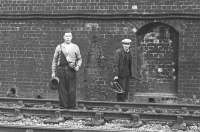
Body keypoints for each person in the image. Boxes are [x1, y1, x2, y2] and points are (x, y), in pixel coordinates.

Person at [51, 30, 82, 109]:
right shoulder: (59, 47)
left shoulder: (75, 47)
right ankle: (63, 106)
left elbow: (79, 59)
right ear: (64, 37)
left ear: (71, 37)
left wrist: (77, 66)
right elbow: (54, 60)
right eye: (66, 36)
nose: (68, 38)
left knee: (72, 88)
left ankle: (72, 106)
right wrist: (53, 72)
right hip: (61, 70)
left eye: (69, 36)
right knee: (62, 88)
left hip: (71, 70)